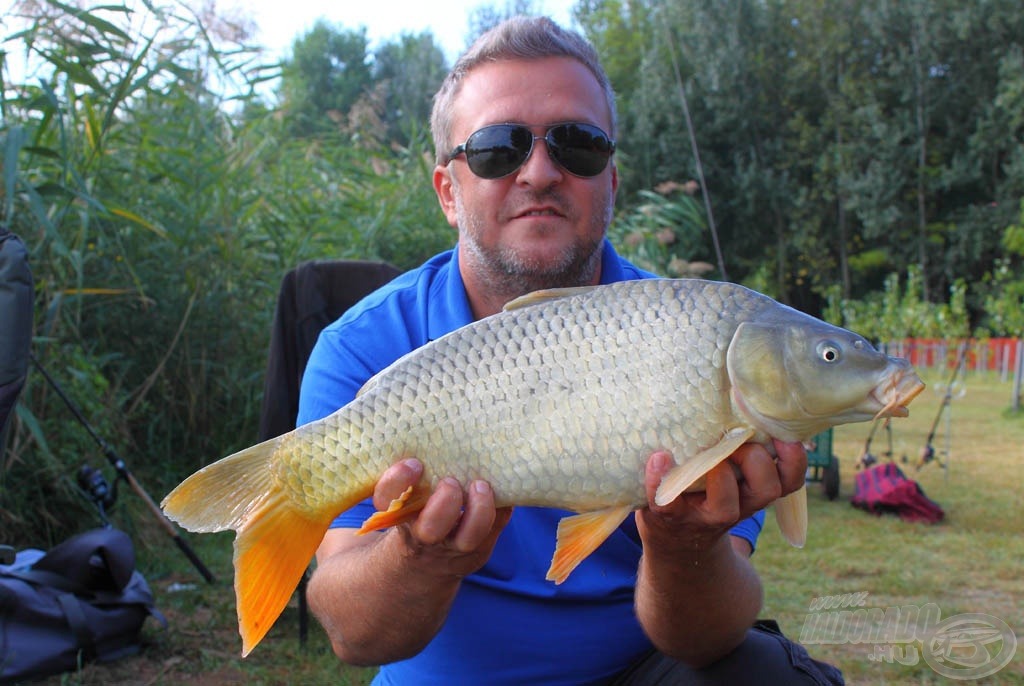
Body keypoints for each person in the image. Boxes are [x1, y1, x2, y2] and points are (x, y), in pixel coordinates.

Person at [299, 16, 843, 686]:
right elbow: (353, 635)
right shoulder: (365, 349)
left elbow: (703, 642)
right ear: (448, 190)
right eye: (500, 148)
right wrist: (421, 553)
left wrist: (683, 546)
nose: (539, 173)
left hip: (642, 668)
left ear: (610, 182)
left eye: (578, 145)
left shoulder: (699, 336)